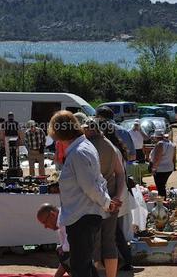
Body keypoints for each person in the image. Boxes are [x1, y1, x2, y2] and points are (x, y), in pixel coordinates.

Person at [48, 111, 121, 277]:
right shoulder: (83, 148)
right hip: (83, 216)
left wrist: (107, 203)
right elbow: (97, 182)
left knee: (80, 268)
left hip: (82, 217)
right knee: (84, 265)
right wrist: (107, 202)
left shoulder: (79, 152)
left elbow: (91, 187)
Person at [83, 118, 125, 277]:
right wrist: (117, 197)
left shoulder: (87, 147)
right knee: (109, 240)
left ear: (89, 129)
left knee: (93, 242)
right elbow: (120, 174)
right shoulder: (111, 146)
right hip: (111, 198)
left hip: (93, 199)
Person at [100, 120, 136, 271]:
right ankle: (124, 259)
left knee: (114, 231)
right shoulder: (114, 147)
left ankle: (125, 260)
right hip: (118, 192)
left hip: (115, 193)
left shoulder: (109, 148)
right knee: (115, 230)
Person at [37, 204, 71, 277]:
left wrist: (62, 249)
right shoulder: (60, 223)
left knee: (63, 252)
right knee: (62, 252)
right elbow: (64, 255)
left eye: (45, 222)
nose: (45, 227)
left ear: (52, 215)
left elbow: (71, 246)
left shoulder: (66, 220)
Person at [150, 130, 176, 200]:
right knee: (162, 186)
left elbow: (157, 158)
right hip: (169, 168)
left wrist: (154, 168)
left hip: (160, 169)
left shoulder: (160, 144)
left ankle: (162, 204)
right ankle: (163, 202)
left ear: (156, 137)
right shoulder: (171, 144)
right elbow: (173, 158)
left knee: (160, 187)